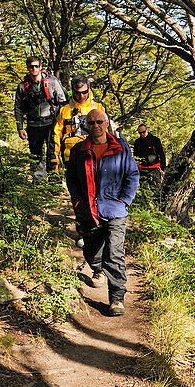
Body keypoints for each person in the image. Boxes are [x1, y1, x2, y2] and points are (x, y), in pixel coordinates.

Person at [66, 108, 139, 316]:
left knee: (114, 253)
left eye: (99, 122)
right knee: (91, 252)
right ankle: (99, 269)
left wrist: (125, 200)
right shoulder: (79, 150)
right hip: (88, 211)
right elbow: (71, 179)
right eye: (91, 123)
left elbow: (132, 175)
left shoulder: (120, 148)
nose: (95, 126)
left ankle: (116, 298)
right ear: (86, 126)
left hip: (115, 209)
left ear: (107, 123)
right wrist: (78, 203)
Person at [13, 56, 66, 179]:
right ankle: (39, 186)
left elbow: (62, 102)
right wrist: (20, 127)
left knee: (52, 154)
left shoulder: (52, 82)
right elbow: (18, 108)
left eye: (36, 66)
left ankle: (55, 184)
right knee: (35, 156)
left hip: (51, 124)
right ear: (28, 68)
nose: (34, 69)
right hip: (33, 125)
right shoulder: (22, 86)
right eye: (31, 66)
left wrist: (62, 124)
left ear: (40, 67)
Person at [52, 75, 109, 169]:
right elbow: (55, 135)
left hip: (96, 155)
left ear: (89, 89)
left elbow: (108, 132)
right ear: (72, 91)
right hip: (71, 158)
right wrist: (54, 158)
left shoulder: (99, 106)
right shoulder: (63, 109)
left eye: (84, 92)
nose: (81, 96)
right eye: (78, 93)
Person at [132, 124, 167, 193]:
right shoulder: (137, 142)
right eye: (140, 133)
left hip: (155, 168)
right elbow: (135, 156)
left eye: (143, 132)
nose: (142, 134)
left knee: (156, 188)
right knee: (144, 189)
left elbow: (161, 153)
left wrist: (163, 167)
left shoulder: (155, 140)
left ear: (147, 130)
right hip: (143, 169)